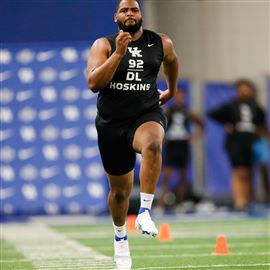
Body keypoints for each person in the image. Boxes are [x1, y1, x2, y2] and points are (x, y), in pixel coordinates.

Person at [86, 0, 179, 269]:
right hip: (112, 123)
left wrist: (171, 90)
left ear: (141, 15)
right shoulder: (103, 45)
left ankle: (146, 211)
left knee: (152, 145)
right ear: (116, 17)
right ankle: (120, 238)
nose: (130, 14)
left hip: (145, 113)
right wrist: (119, 53)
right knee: (118, 193)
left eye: (135, 9)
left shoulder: (161, 43)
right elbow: (93, 83)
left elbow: (172, 61)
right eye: (124, 10)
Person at [207, 79, 267, 212]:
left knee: (249, 172)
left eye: (247, 89)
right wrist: (226, 124)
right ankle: (240, 201)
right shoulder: (231, 106)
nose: (244, 92)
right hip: (235, 141)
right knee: (239, 171)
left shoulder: (256, 107)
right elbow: (212, 114)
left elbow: (262, 125)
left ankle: (249, 200)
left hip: (251, 141)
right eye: (241, 89)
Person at [157, 89, 203, 211]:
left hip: (182, 145)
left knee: (183, 175)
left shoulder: (187, 112)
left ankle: (180, 203)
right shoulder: (168, 111)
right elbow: (158, 122)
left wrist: (194, 136)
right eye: (178, 96)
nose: (180, 99)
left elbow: (200, 124)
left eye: (182, 96)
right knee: (166, 176)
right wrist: (162, 137)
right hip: (171, 145)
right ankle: (161, 203)